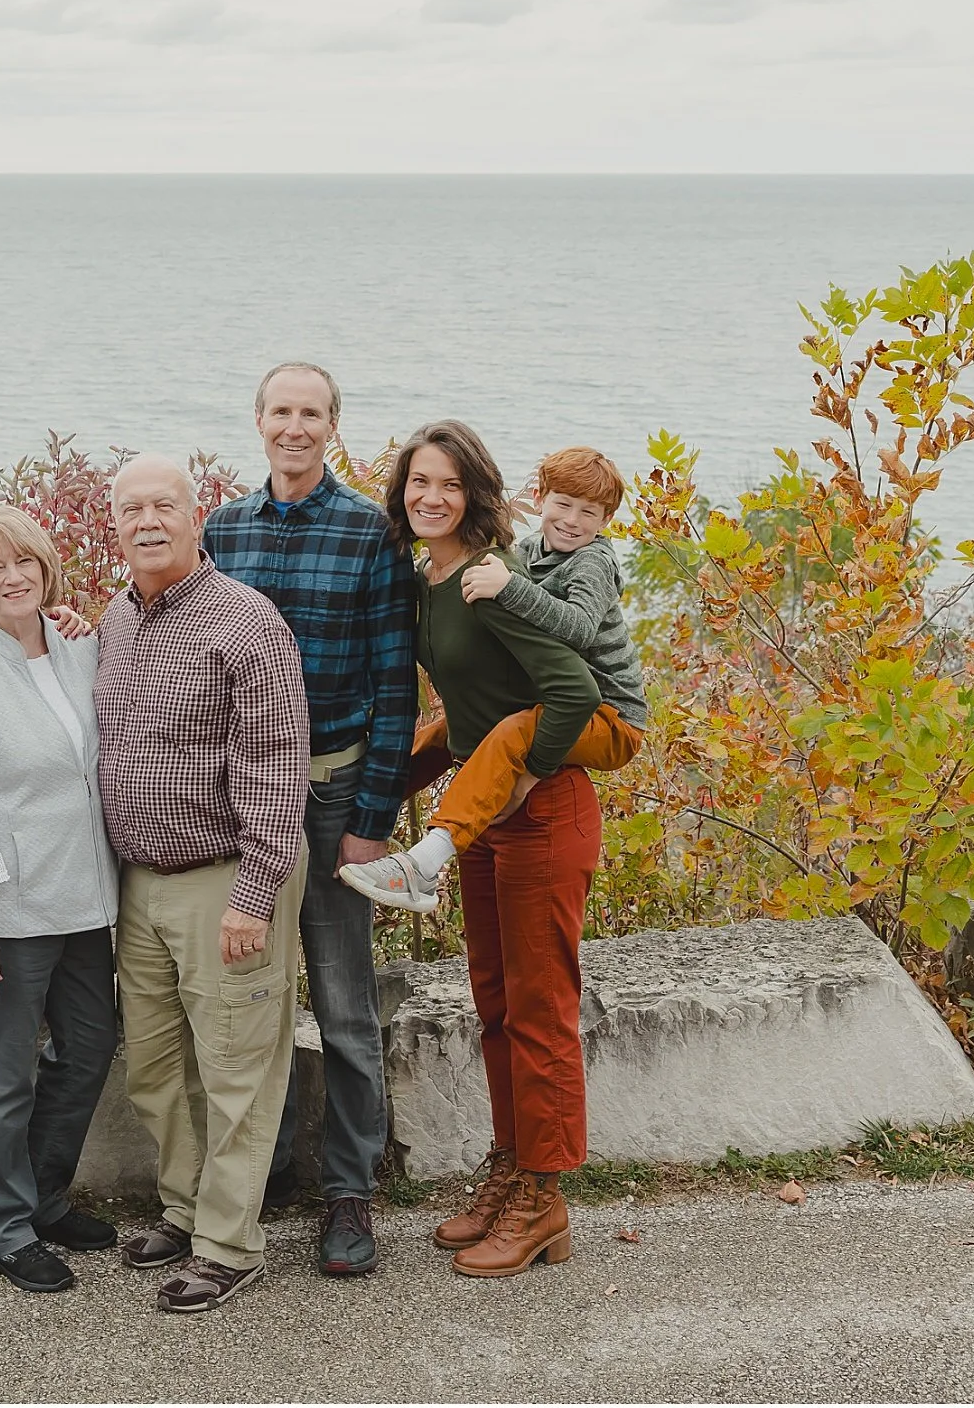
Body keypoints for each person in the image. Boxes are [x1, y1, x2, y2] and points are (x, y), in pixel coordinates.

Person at [201, 361, 415, 1276]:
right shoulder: (222, 528)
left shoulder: (371, 531)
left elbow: (395, 686)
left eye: (312, 413)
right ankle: (264, 1172)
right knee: (253, 997)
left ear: (333, 425)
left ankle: (349, 1192)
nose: (295, 426)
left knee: (342, 1004)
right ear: (258, 421)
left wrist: (373, 818)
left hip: (333, 797)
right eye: (281, 410)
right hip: (245, 801)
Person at [383, 420, 604, 1278]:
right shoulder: (428, 581)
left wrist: (526, 776)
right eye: (418, 482)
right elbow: (472, 707)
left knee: (540, 1009)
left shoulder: (494, 580)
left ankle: (544, 1198)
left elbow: (573, 691)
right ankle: (511, 1169)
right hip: (484, 814)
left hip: (544, 810)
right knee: (496, 1003)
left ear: (477, 494)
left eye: (450, 483)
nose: (431, 497)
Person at [94, 454, 312, 1314]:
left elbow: (278, 766)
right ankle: (185, 1212)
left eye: (164, 506)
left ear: (197, 517)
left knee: (234, 1069)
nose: (147, 522)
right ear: (115, 525)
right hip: (139, 882)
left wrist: (254, 895)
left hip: (226, 878)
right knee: (155, 1068)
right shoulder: (116, 619)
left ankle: (229, 1245)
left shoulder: (246, 622)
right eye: (130, 509)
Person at [0, 506, 123, 1295]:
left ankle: (45, 1198)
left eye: (26, 562)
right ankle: (4, 1230)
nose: (14, 578)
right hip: (8, 911)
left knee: (90, 1048)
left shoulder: (76, 647)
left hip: (87, 899)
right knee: (3, 1078)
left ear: (46, 567)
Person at [341, 444, 646, 913]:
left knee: (512, 731)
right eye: (563, 504)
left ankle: (426, 861)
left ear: (606, 520)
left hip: (612, 716)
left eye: (588, 513)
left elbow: (581, 629)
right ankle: (348, 814)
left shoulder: (591, 562)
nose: (572, 521)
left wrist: (509, 587)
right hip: (555, 708)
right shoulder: (527, 551)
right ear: (540, 498)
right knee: (445, 734)